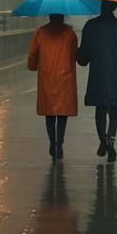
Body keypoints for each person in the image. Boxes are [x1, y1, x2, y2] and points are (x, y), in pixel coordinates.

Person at [77, 0, 117, 162]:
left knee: (100, 108)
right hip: (116, 72)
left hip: (97, 72)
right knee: (115, 108)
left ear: (101, 6)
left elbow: (83, 58)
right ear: (116, 7)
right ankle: (110, 140)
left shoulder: (90, 26)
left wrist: (78, 53)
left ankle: (103, 140)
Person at [27, 13, 78, 160]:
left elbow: (32, 55)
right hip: (65, 76)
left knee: (49, 112)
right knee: (62, 112)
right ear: (63, 17)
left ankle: (52, 141)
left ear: (49, 17)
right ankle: (59, 141)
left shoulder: (40, 33)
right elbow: (74, 54)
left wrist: (33, 66)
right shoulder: (70, 34)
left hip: (47, 76)